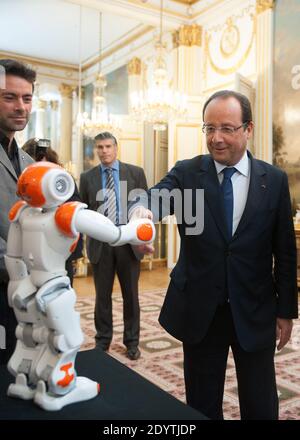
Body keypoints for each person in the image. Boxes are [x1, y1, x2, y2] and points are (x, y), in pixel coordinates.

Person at [129, 90, 298, 419]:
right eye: (209, 128)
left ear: (247, 129)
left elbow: (285, 252)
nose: (216, 138)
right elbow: (155, 197)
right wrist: (141, 212)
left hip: (254, 308)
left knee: (261, 402)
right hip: (200, 310)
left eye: (227, 128)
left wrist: (286, 310)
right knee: (201, 403)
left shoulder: (273, 180)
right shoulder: (188, 173)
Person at [79, 132, 148, 360]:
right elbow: (84, 212)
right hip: (101, 243)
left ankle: (132, 342)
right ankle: (103, 340)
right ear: (96, 150)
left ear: (116, 148)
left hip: (128, 242)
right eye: (100, 147)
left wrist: (145, 239)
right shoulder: (87, 177)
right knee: (102, 296)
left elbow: (143, 207)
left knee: (131, 295)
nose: (104, 151)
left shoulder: (135, 173)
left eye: (108, 146)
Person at [0, 59, 36, 364]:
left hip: (22, 291)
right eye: (9, 97)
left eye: (27, 98)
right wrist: (15, 263)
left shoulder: (27, 162)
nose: (20, 106)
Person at [22, 138, 83, 286]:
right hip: (31, 251)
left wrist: (73, 252)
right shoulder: (23, 183)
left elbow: (75, 212)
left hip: (60, 249)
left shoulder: (64, 181)